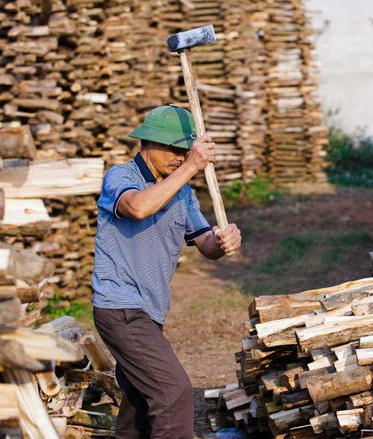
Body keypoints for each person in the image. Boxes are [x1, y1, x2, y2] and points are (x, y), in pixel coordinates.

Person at [91, 104, 242, 438]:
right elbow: (138, 206)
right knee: (173, 394)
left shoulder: (182, 192)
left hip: (149, 311)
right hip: (120, 307)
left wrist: (224, 240)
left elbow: (205, 243)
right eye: (174, 149)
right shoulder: (122, 176)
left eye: (185, 151)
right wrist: (190, 166)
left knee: (141, 405)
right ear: (148, 143)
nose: (179, 156)